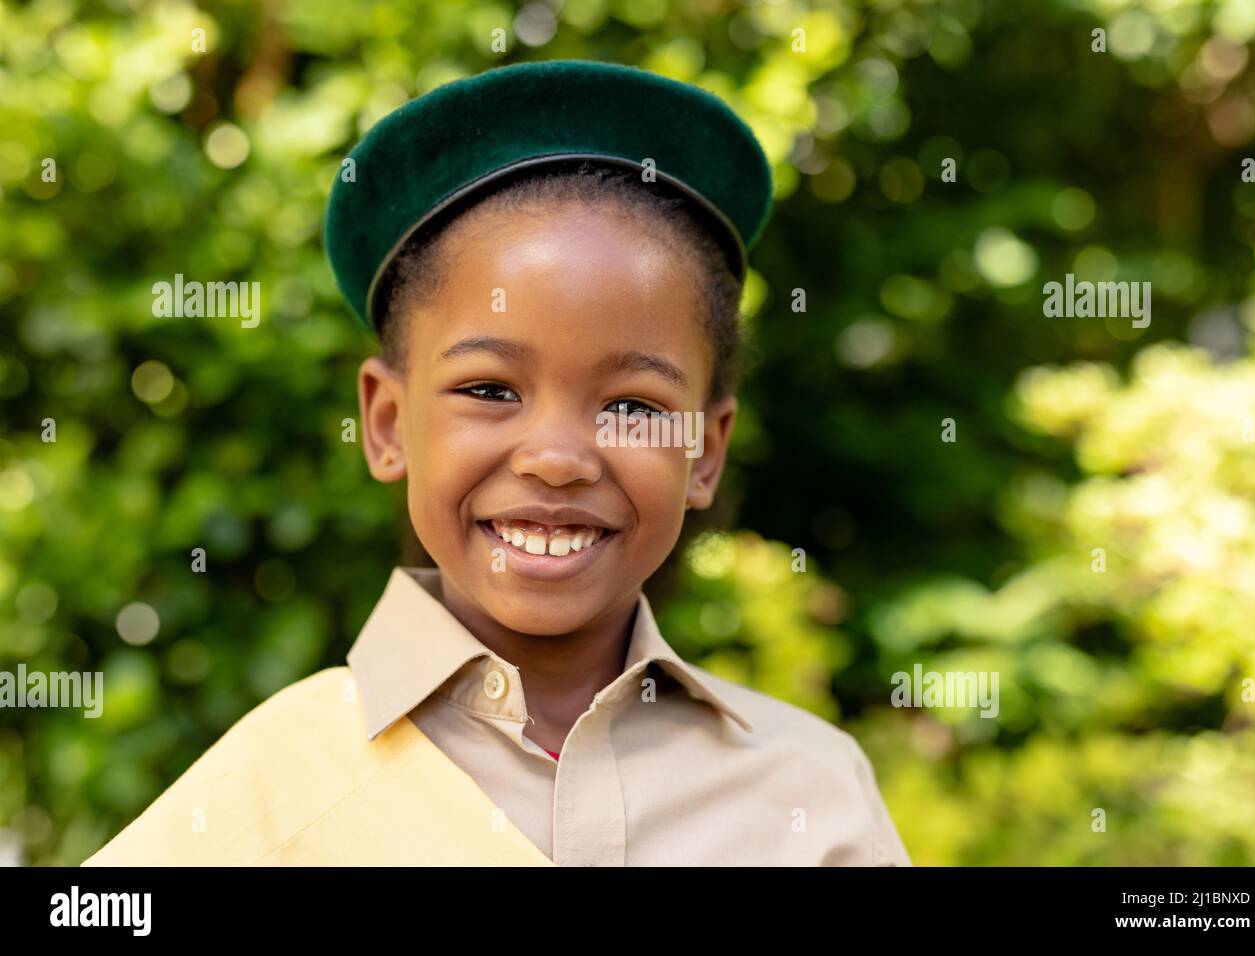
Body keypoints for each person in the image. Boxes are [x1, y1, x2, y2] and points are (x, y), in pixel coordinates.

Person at [84, 59, 910, 867]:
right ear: (387, 423)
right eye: (489, 388)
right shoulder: (266, 790)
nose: (556, 460)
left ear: (704, 452)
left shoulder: (814, 793)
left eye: (632, 407)